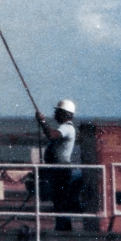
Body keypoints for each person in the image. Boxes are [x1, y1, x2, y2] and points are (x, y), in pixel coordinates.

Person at [36, 98, 79, 231]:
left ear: (65, 114)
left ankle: (64, 228)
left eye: (57, 112)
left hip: (61, 170)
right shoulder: (65, 128)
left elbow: (51, 135)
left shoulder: (67, 128)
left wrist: (42, 122)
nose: (54, 114)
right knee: (59, 200)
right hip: (57, 170)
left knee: (61, 200)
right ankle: (63, 227)